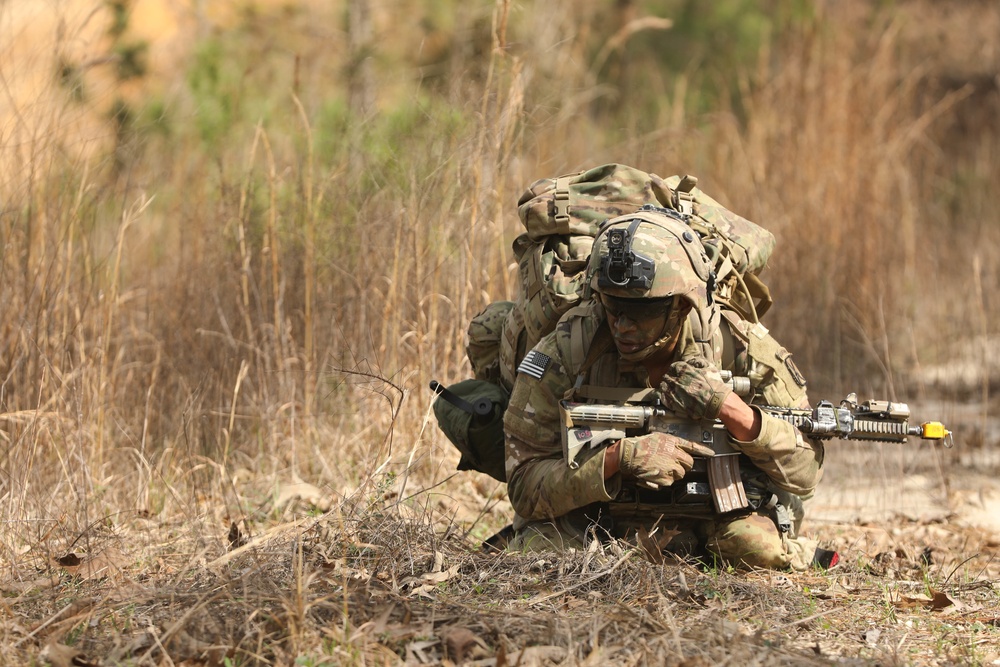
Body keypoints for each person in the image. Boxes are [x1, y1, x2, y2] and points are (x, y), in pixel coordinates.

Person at [502, 206, 829, 570]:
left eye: (643, 312)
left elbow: (806, 472)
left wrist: (730, 409)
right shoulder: (567, 347)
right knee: (537, 552)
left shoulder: (737, 345)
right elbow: (523, 486)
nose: (623, 326)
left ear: (682, 305)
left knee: (757, 549)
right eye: (613, 306)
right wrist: (616, 460)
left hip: (715, 516)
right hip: (599, 518)